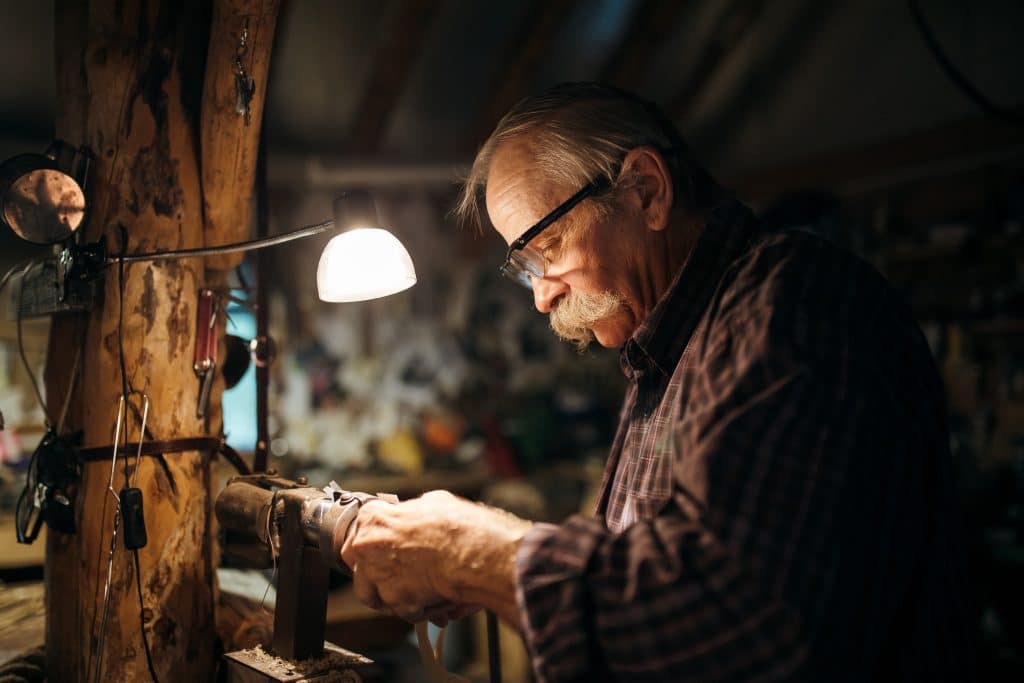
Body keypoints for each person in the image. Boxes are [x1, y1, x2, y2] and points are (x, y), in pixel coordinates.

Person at [340, 83, 976, 682]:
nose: (540, 296)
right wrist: (480, 568)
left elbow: (738, 621)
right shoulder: (665, 351)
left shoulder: (793, 305)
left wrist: (473, 552)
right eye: (524, 266)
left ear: (646, 190)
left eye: (548, 247)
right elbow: (648, 577)